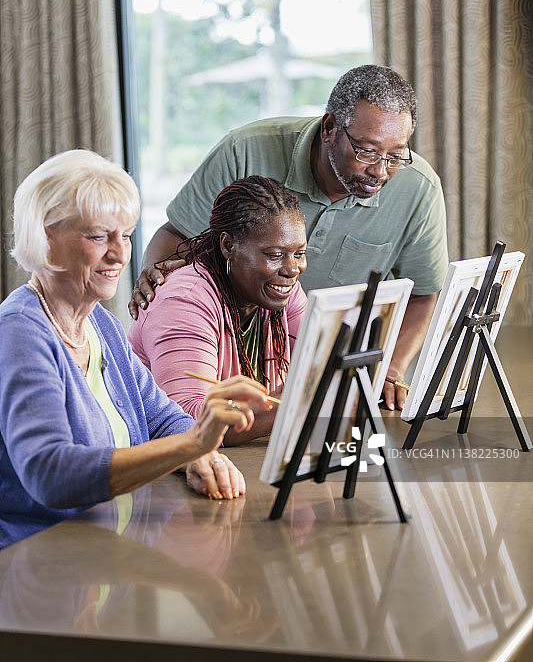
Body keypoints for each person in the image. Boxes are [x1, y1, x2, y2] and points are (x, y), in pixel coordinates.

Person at [129, 64, 449, 411]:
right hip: (216, 362)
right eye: (367, 152)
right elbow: (177, 235)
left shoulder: (418, 187)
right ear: (329, 128)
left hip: (277, 366)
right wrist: (158, 288)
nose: (381, 170)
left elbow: (423, 295)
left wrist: (386, 370)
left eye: (395, 155)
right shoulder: (244, 151)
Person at [0, 150, 271, 549]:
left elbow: (160, 418)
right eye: (98, 236)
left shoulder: (101, 324)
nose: (120, 253)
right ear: (46, 238)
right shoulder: (20, 333)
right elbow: (50, 475)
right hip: (43, 563)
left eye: (125, 234)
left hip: (114, 550)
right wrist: (193, 444)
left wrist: (198, 453)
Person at [128, 176, 308, 445]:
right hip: (163, 467)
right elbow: (189, 421)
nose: (292, 269)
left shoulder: (280, 289)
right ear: (228, 246)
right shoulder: (184, 301)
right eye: (274, 255)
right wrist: (303, 398)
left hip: (236, 458)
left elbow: (316, 366)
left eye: (299, 253)